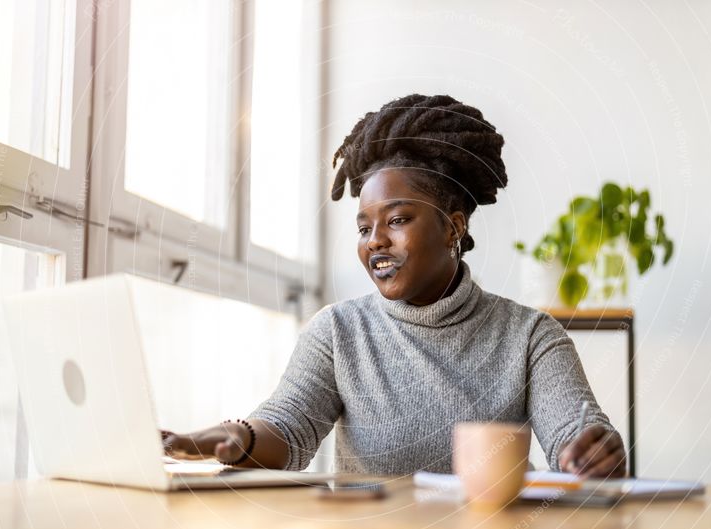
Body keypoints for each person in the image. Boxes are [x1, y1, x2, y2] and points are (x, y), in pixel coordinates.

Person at [163, 94, 626, 478]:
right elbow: (286, 429)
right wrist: (233, 437)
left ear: (453, 228)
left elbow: (578, 433)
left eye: (398, 220)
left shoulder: (531, 337)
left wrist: (594, 452)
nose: (375, 242)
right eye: (364, 228)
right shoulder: (338, 333)